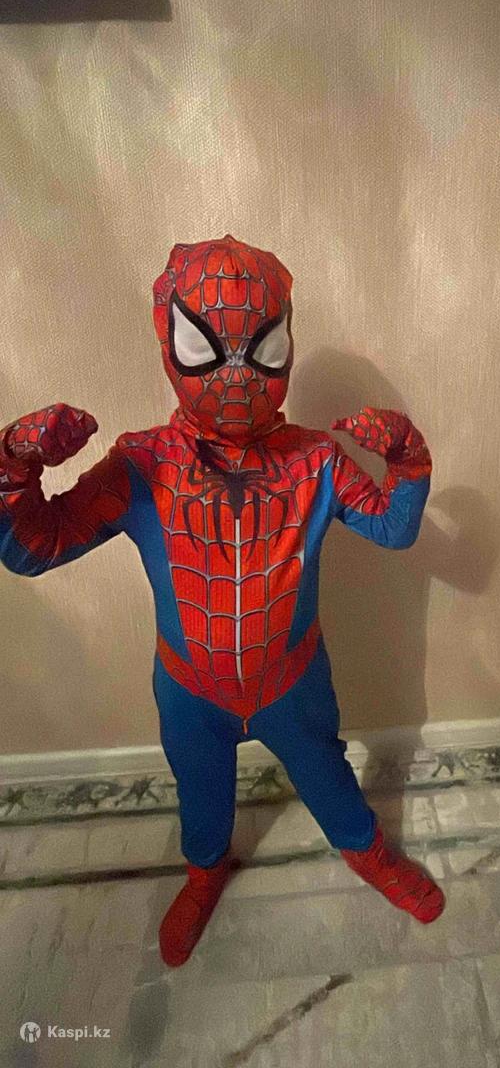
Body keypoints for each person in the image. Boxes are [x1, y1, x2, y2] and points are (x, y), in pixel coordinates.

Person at [0, 234, 445, 967]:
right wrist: (13, 470)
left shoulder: (316, 460)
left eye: (261, 349)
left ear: (285, 341)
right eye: (205, 348)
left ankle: (366, 853)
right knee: (200, 792)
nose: (237, 372)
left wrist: (409, 461)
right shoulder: (142, 465)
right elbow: (31, 550)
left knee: (327, 775)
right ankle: (205, 873)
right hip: (190, 690)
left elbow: (395, 531)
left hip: (292, 680)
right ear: (169, 343)